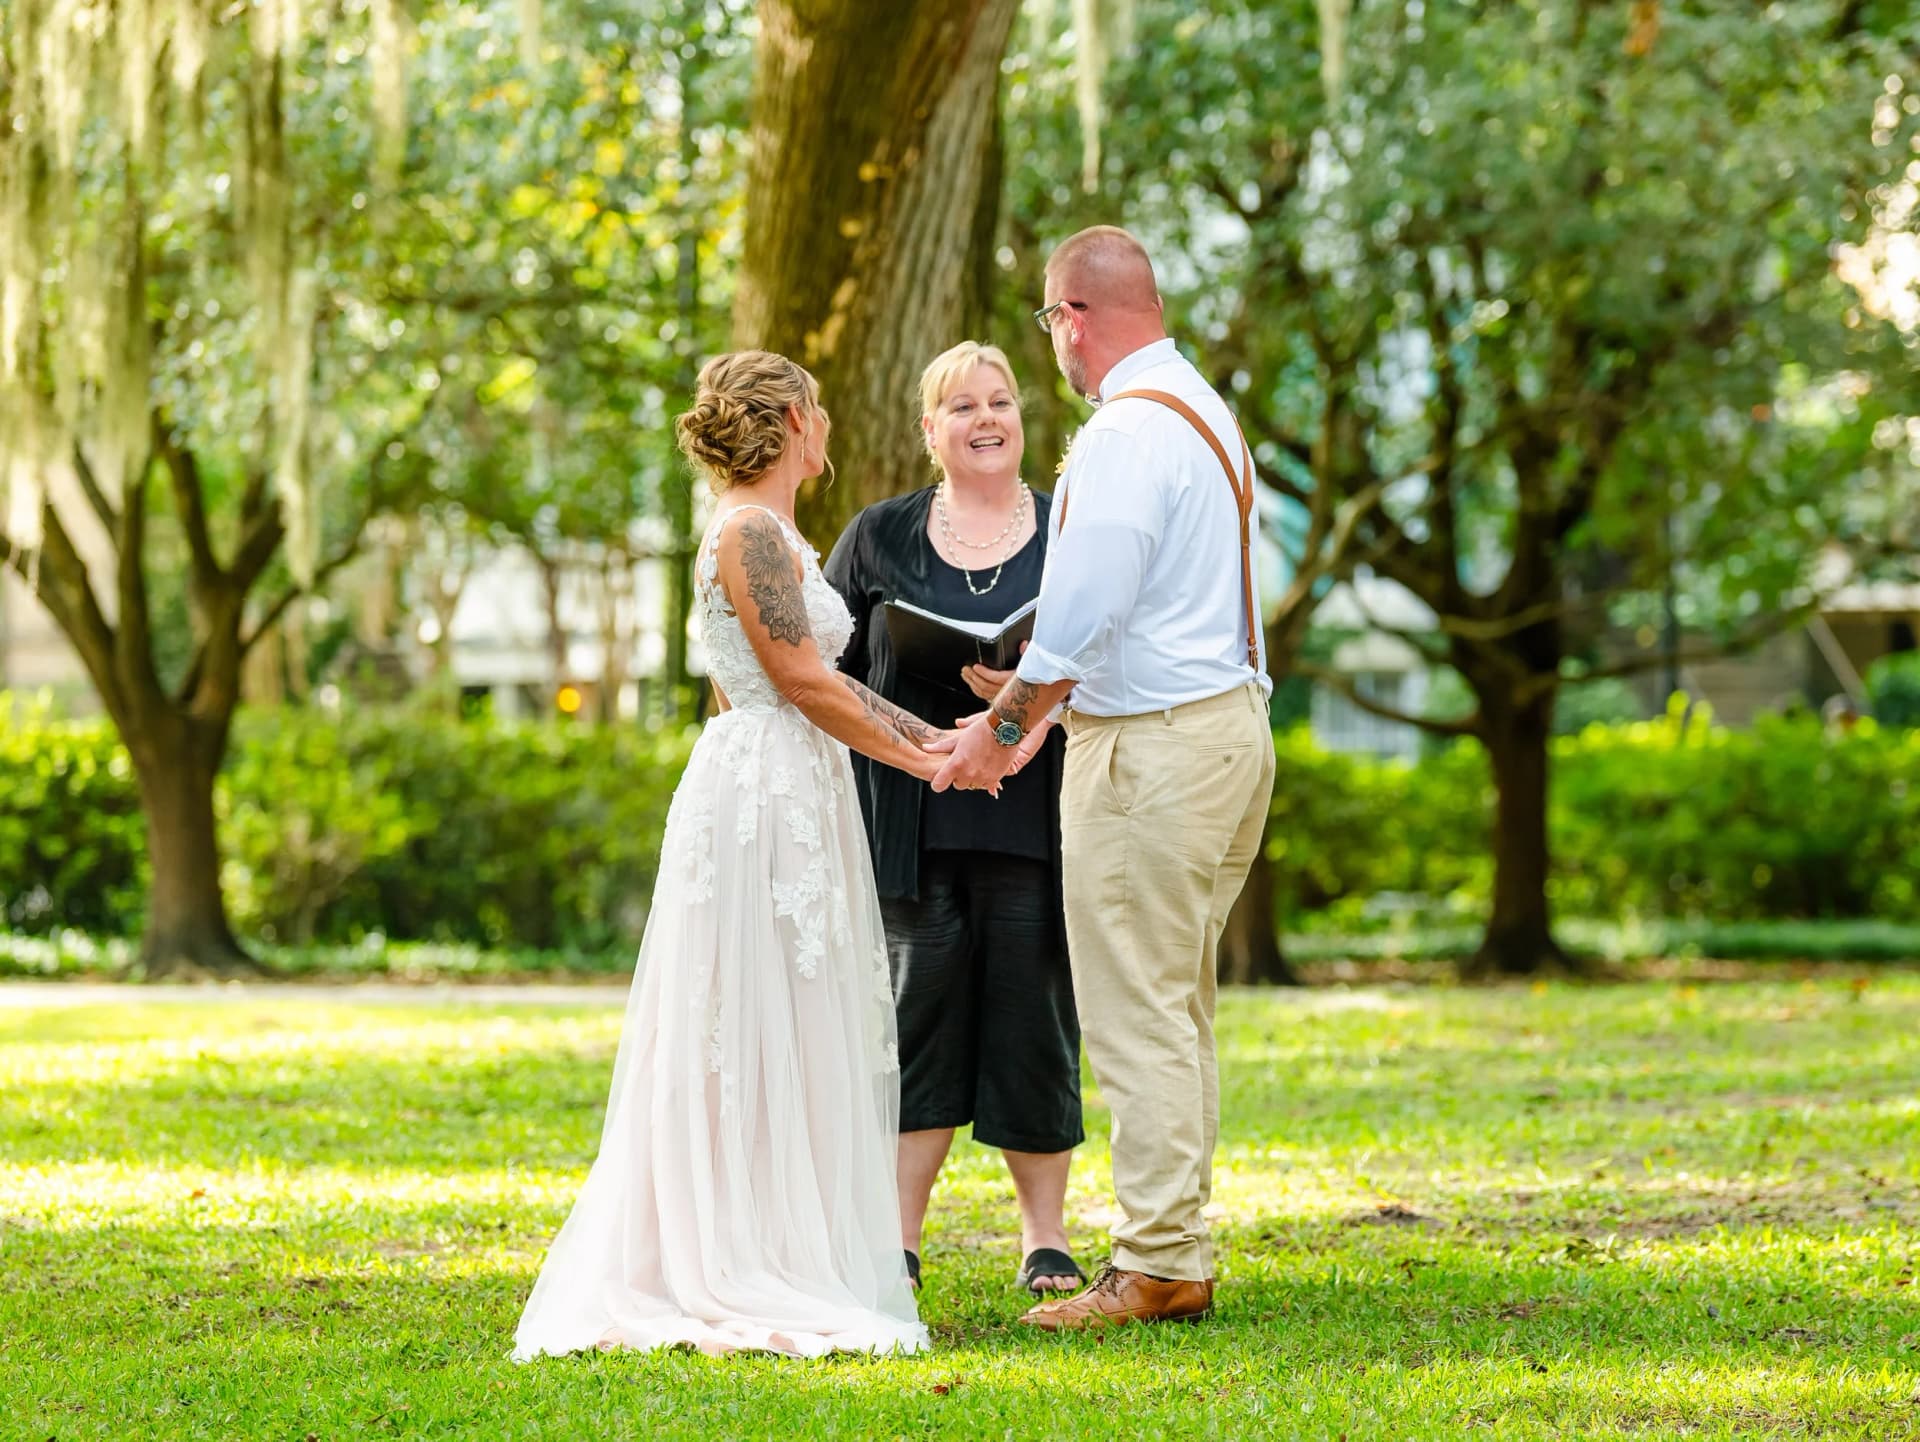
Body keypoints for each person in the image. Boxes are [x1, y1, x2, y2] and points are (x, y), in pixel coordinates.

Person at [513, 351, 940, 1361]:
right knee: (749, 1011)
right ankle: (732, 1250)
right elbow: (802, 680)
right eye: (820, 406)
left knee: (788, 1009)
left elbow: (798, 681)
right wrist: (931, 755)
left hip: (791, 782)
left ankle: (778, 1231)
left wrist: (923, 747)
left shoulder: (769, 530)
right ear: (793, 420)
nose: (828, 420)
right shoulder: (749, 530)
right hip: (765, 789)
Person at [930, 227, 1277, 1331]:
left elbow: (1085, 612)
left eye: (1049, 324)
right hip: (1221, 731)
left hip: (1155, 754)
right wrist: (1036, 689)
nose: (1056, 350)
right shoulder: (1203, 411)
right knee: (1174, 1003)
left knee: (1135, 1009)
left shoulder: (1125, 431)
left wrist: (1003, 727)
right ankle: (1174, 1240)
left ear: (1073, 315)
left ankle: (1160, 1259)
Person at [824, 342, 1086, 1300]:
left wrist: (1027, 695)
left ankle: (1045, 1240)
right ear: (929, 431)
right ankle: (896, 1240)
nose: (987, 419)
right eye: (963, 406)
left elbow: (1111, 656)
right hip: (912, 817)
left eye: (1002, 401)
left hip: (1038, 818)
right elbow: (828, 672)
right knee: (915, 1022)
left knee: (1034, 1020)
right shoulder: (878, 536)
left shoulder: (1073, 530)